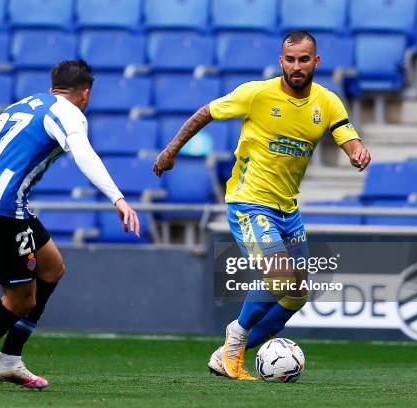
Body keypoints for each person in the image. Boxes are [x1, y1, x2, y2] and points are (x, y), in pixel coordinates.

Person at [153, 31, 371, 380]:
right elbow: (205, 112)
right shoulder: (256, 93)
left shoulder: (327, 102)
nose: (296, 66)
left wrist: (357, 150)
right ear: (281, 60)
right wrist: (171, 150)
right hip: (249, 203)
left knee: (297, 293)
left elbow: (345, 133)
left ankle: (228, 355)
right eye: (290, 59)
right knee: (280, 275)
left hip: (288, 210)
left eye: (304, 59)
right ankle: (235, 336)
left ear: (316, 62)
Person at [0, 60, 140, 391]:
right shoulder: (69, 113)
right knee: (20, 300)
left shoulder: (17, 108)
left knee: (52, 267)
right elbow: (83, 154)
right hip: (2, 212)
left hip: (2, 206)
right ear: (85, 93)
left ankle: (9, 360)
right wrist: (118, 199)